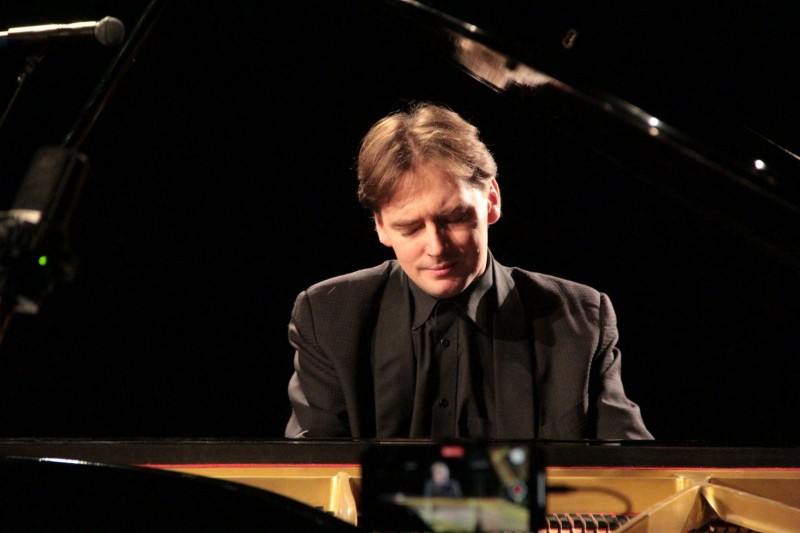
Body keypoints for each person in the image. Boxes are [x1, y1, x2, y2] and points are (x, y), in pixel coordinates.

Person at [285, 101, 652, 440]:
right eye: (410, 228)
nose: (436, 248)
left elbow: (636, 471)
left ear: (491, 199)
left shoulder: (582, 319)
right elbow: (311, 471)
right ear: (380, 226)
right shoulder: (328, 315)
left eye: (455, 218)